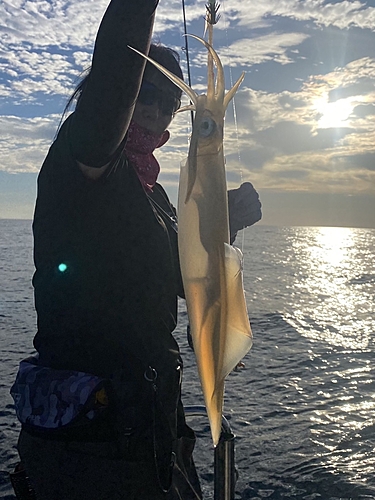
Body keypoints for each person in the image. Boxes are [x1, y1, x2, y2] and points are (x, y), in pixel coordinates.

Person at [10, 0, 262, 499]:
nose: (153, 105)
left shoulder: (156, 196)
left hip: (152, 424)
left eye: (168, 99)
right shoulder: (82, 160)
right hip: (90, 444)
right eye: (142, 89)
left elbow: (183, 279)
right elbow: (109, 91)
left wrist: (220, 224)